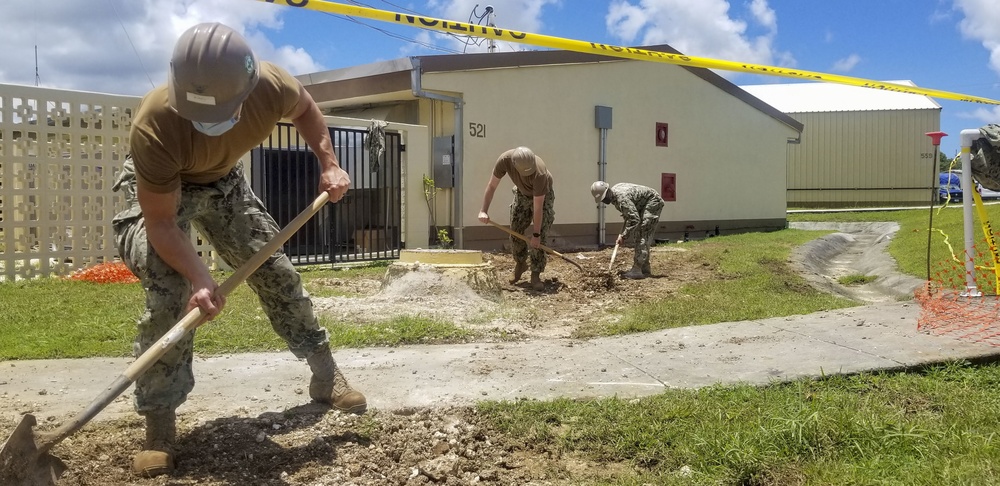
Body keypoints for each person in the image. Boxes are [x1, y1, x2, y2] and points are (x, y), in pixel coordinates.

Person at [111, 22, 366, 478]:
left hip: (224, 183)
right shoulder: (156, 124)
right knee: (170, 291)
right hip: (163, 191)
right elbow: (162, 222)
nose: (206, 123)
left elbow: (307, 110)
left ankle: (326, 375)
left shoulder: (271, 84)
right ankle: (160, 424)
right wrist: (198, 276)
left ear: (247, 89)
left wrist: (330, 163)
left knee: (276, 272)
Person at [478, 147, 554, 291]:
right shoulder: (504, 161)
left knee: (540, 235)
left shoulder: (540, 173)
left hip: (542, 195)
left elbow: (538, 207)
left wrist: (536, 234)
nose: (527, 175)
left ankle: (535, 273)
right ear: (514, 165)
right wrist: (483, 210)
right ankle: (520, 263)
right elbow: (492, 185)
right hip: (521, 193)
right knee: (515, 230)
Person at [591, 181, 664, 279]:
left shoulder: (622, 198)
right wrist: (622, 234)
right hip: (643, 204)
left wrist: (624, 236)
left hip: (652, 202)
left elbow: (634, 219)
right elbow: (629, 215)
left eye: (603, 198)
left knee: (642, 233)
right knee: (639, 233)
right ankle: (645, 268)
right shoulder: (616, 193)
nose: (604, 201)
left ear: (607, 192)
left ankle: (637, 269)